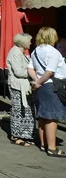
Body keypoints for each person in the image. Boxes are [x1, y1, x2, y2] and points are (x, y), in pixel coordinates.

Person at [28, 27, 66, 157]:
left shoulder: (36, 51)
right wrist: (40, 81)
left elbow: (30, 68)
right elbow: (50, 71)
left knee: (43, 116)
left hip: (41, 87)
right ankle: (52, 148)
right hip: (51, 86)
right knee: (51, 117)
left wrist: (37, 80)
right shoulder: (53, 52)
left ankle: (43, 144)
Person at [6, 33, 35, 147]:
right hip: (17, 86)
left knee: (26, 111)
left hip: (23, 86)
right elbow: (18, 72)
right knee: (19, 111)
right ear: (23, 42)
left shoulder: (21, 53)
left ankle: (25, 135)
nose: (31, 43)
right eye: (29, 41)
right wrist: (32, 73)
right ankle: (16, 136)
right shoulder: (15, 53)